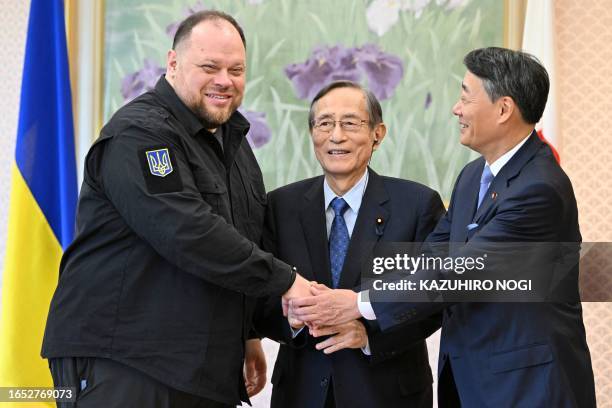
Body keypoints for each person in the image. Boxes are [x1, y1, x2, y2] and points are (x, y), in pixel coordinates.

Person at [290, 47, 596, 407]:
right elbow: (429, 258)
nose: (456, 109)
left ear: (503, 110)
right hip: (474, 381)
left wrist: (358, 303)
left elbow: (461, 272)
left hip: (527, 385)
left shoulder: (539, 188)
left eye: (466, 96)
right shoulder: (472, 176)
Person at [41, 10, 311, 408]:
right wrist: (287, 281)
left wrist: (249, 333)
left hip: (200, 370)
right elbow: (187, 232)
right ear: (173, 63)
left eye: (236, 69)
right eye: (209, 66)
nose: (225, 80)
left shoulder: (234, 143)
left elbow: (241, 239)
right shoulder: (141, 132)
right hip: (125, 362)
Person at [254, 81, 445, 408]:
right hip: (301, 392)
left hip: (388, 393)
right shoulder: (280, 206)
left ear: (377, 133)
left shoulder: (416, 205)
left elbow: (435, 297)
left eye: (351, 123)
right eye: (324, 123)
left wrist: (371, 336)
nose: (336, 136)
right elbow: (258, 295)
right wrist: (293, 320)